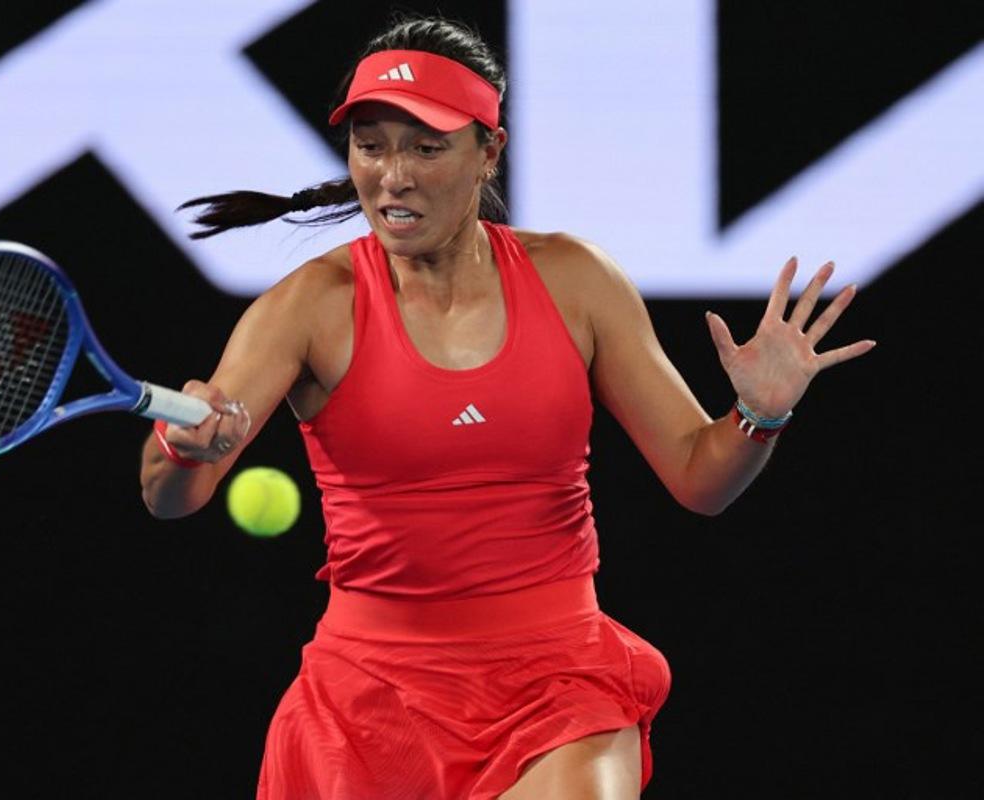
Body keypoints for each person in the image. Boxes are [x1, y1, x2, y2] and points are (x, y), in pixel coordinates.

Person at [139, 15, 875, 800]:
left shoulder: (576, 279)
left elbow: (701, 477)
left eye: (427, 147)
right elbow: (167, 496)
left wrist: (758, 416)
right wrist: (191, 449)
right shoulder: (309, 305)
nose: (393, 175)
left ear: (489, 150)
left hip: (559, 680)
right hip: (368, 701)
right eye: (371, 144)